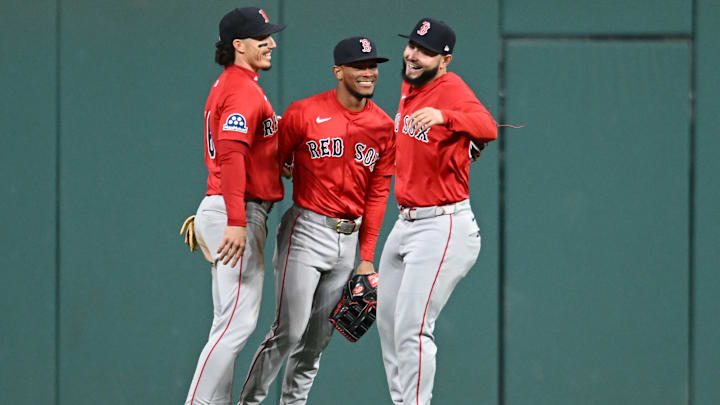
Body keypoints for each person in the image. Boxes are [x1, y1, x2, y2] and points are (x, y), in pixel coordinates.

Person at [238, 36, 395, 405]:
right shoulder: (304, 112)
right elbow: (271, 162)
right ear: (338, 71)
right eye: (358, 65)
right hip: (306, 229)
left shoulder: (383, 127)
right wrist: (236, 212)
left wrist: (367, 256)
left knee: (317, 341)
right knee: (289, 333)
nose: (368, 72)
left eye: (372, 65)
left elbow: (377, 195)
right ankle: (248, 403)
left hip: (348, 239)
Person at [376, 17, 498, 405]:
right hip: (406, 222)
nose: (413, 55)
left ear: (444, 60)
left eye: (425, 51)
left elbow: (488, 126)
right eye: (412, 45)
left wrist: (449, 118)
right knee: (388, 324)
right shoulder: (410, 84)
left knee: (412, 328)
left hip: (443, 224)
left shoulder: (451, 87)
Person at [184, 7, 285, 405]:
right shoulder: (241, 89)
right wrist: (235, 219)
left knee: (227, 326)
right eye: (263, 38)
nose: (272, 43)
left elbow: (244, 152)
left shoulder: (231, 84)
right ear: (238, 45)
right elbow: (231, 153)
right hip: (237, 209)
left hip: (225, 206)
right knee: (236, 326)